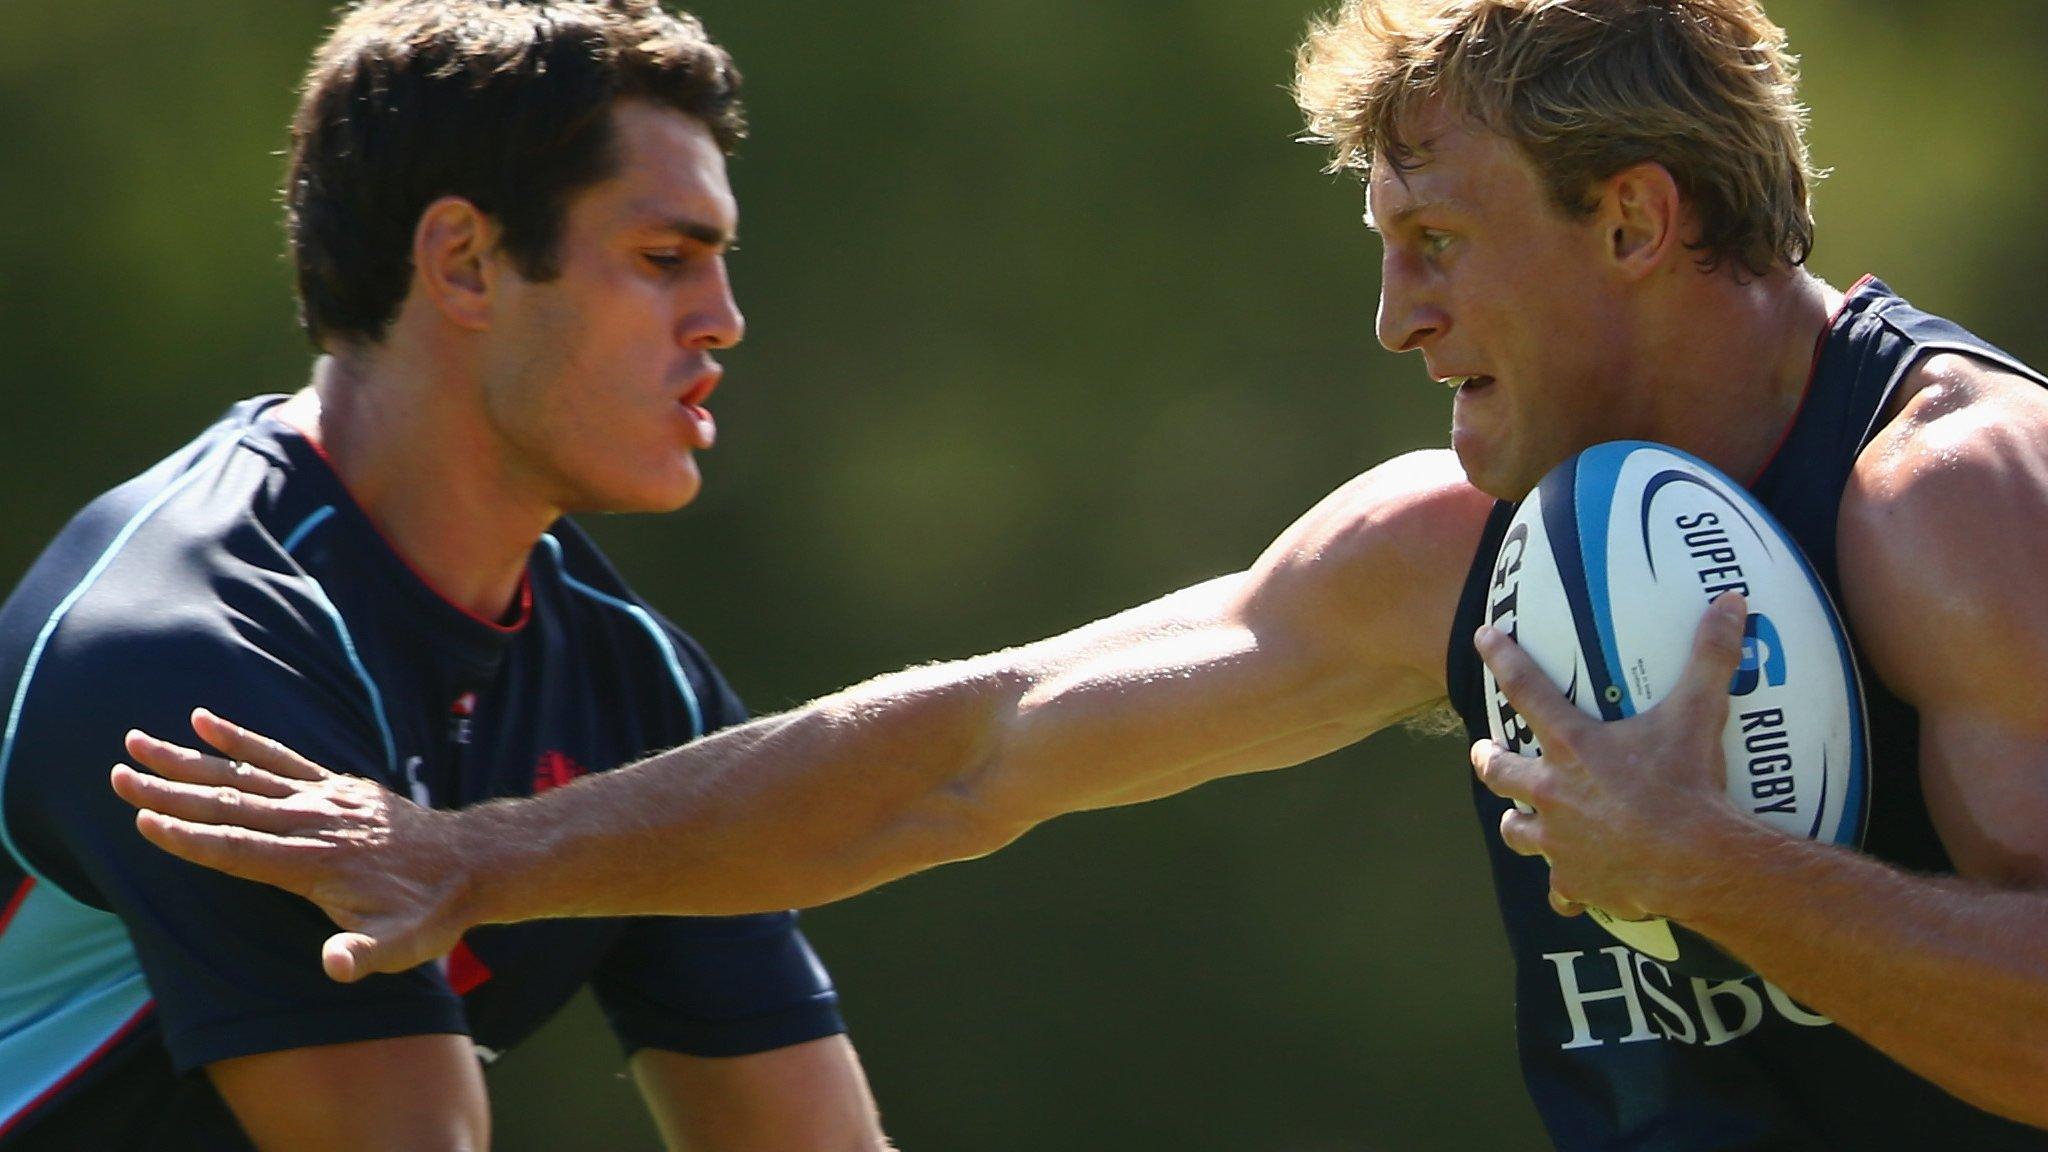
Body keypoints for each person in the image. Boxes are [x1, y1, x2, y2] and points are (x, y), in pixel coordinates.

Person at [113, 0, 2048, 1146]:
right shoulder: (1451, 546)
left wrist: (1708, 875)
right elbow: (979, 748)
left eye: (1437, 242)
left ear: (1630, 217)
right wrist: (478, 853)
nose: (1393, 318)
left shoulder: (1957, 501)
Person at [0, 2, 890, 1148]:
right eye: (664, 259)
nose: (722, 322)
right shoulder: (188, 654)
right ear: (465, 263)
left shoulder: (633, 681)